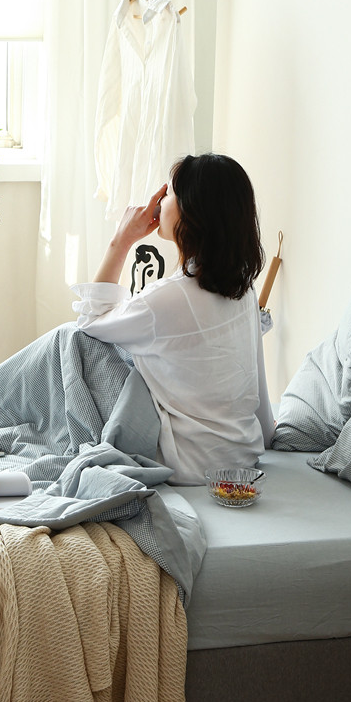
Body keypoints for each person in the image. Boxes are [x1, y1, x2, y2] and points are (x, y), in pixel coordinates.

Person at [72, 153, 275, 486]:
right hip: (240, 456)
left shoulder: (167, 300)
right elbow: (257, 380)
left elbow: (89, 322)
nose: (159, 201)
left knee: (71, 341)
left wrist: (121, 240)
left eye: (168, 194)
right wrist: (267, 434)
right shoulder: (243, 291)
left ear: (191, 214)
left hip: (188, 465)